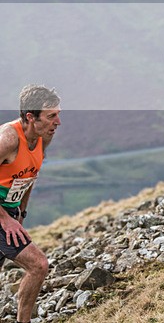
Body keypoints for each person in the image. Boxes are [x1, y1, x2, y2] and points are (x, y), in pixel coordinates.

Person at [0, 85, 61, 323]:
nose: (58, 122)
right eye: (51, 116)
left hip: (10, 211)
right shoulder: (8, 139)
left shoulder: (43, 138)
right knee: (38, 265)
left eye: (58, 114)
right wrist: (5, 219)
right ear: (30, 117)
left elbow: (29, 175)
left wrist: (21, 213)